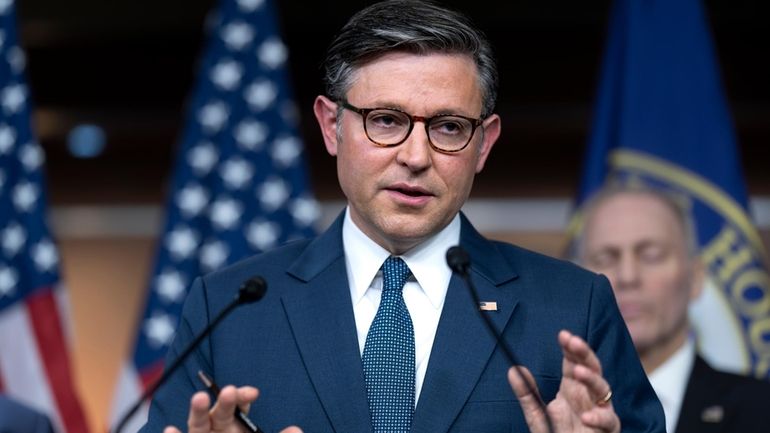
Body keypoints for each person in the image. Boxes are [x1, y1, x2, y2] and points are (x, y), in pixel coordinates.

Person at [142, 1, 664, 432]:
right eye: (385, 120)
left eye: (449, 127)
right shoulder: (228, 308)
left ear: (484, 144)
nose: (416, 156)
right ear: (331, 126)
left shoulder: (573, 307)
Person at [577, 186, 770, 433]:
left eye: (651, 255)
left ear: (695, 278)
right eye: (605, 258)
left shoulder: (761, 411)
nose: (627, 276)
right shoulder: (541, 412)